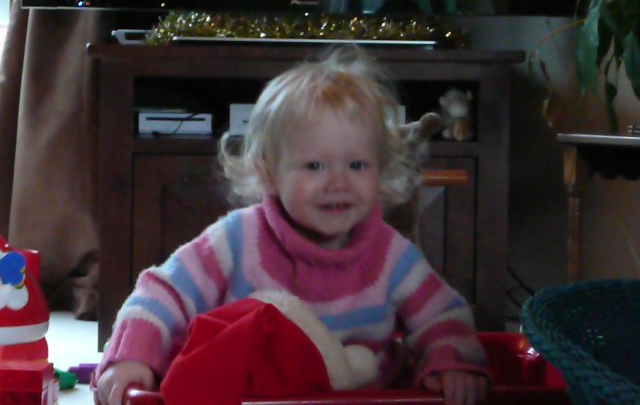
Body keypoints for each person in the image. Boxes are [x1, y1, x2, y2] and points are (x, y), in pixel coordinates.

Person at [93, 46, 489, 405]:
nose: (338, 182)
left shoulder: (391, 254)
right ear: (269, 173)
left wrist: (451, 364)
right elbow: (163, 292)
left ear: (380, 169)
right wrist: (131, 357)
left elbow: (442, 315)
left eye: (357, 165)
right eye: (315, 166)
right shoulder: (237, 240)